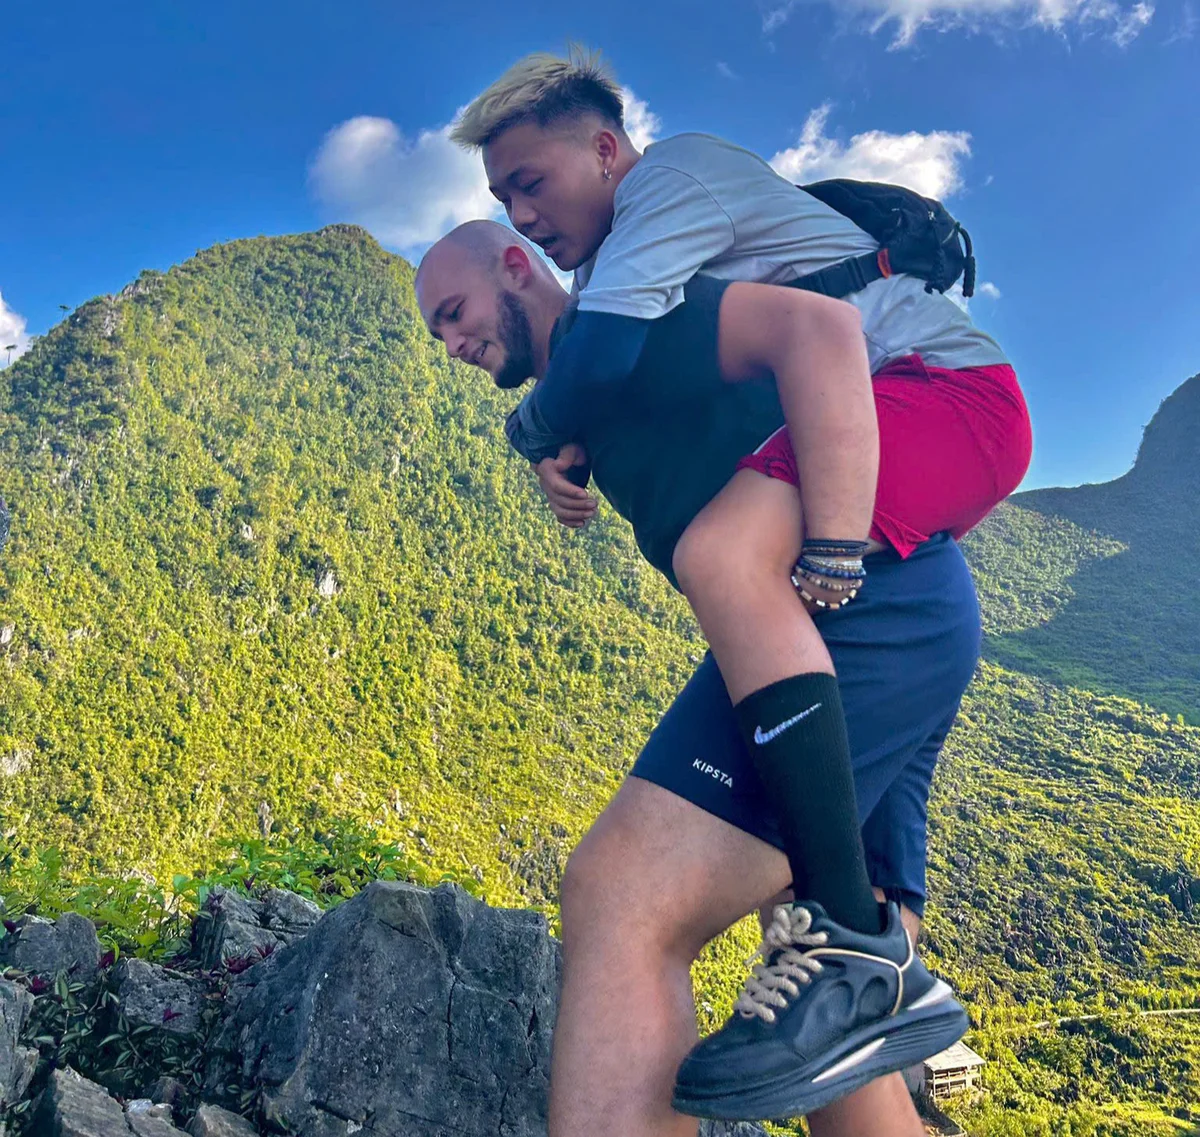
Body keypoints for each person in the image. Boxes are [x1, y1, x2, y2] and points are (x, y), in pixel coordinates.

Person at [444, 49, 1032, 1119]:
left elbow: (811, 333)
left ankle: (858, 948)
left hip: (905, 507)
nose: (449, 344)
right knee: (826, 1044)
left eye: (532, 185)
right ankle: (865, 953)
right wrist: (884, 878)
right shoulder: (627, 317)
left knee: (625, 895)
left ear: (607, 151)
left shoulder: (652, 256)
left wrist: (539, 423)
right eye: (504, 199)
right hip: (874, 617)